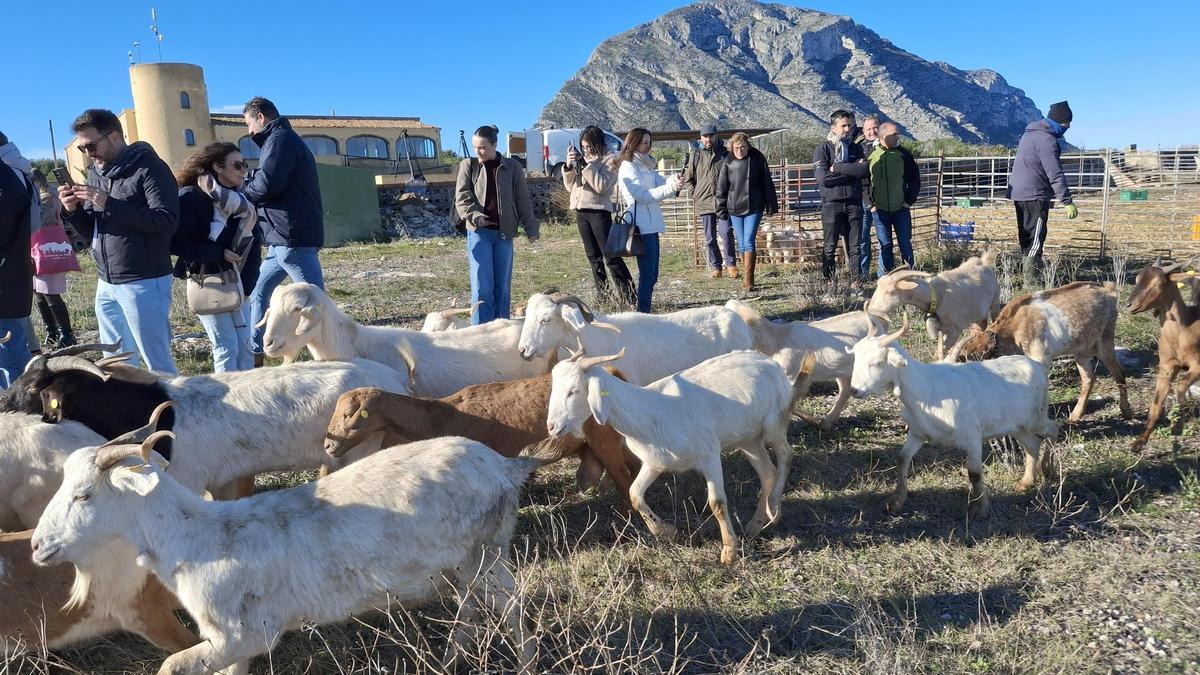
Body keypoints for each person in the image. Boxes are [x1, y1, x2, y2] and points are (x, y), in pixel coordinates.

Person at [60, 109, 179, 374]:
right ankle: (132, 414)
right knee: (118, 364)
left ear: (113, 136)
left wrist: (108, 203)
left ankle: (175, 413)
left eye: (92, 145)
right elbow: (92, 227)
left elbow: (166, 221)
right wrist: (72, 210)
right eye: (83, 149)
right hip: (106, 282)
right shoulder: (97, 173)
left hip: (144, 280)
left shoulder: (151, 168)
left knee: (158, 363)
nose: (89, 154)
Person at [242, 96, 325, 362]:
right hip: (281, 238)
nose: (249, 131)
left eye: (249, 123)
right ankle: (255, 352)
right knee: (259, 292)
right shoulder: (282, 140)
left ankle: (330, 355)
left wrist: (243, 191)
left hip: (291, 237)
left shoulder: (279, 140)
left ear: (261, 117)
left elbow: (267, 184)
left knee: (317, 303)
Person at [173, 142, 263, 372]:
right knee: (226, 346)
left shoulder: (241, 202)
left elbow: (254, 242)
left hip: (240, 282)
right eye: (237, 165)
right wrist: (218, 253)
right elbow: (175, 243)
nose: (243, 170)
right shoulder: (190, 197)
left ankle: (249, 396)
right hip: (208, 281)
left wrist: (248, 287)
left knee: (244, 345)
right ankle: (230, 405)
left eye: (245, 165)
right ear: (217, 167)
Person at [454, 125, 539, 324]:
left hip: (504, 235)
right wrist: (475, 216)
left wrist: (531, 228)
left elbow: (523, 200)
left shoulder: (513, 167)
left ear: (494, 145)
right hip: (479, 233)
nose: (478, 151)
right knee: (482, 287)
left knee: (502, 287)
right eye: (475, 147)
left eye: (482, 147)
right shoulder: (468, 165)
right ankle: (479, 332)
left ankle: (502, 329)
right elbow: (462, 198)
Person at [1007, 100, 1078, 287]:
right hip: (1034, 194)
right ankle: (1032, 282)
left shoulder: (1029, 134)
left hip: (1019, 193)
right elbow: (1054, 172)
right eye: (1066, 123)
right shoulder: (1048, 140)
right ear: (1058, 122)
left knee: (1026, 234)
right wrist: (1067, 200)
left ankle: (1027, 274)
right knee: (1036, 236)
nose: (1068, 127)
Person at [563, 126, 634, 305]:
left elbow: (601, 186)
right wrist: (569, 166)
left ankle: (629, 295)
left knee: (611, 256)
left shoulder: (611, 159)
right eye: (583, 146)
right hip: (581, 211)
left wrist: (586, 166)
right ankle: (604, 296)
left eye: (589, 146)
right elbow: (571, 187)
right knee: (593, 257)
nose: (586, 150)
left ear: (598, 143)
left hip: (599, 212)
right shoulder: (583, 160)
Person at [616, 128, 680, 313]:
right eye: (645, 142)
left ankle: (644, 311)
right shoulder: (628, 166)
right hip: (640, 226)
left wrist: (674, 180)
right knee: (648, 274)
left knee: (652, 275)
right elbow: (641, 196)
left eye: (650, 142)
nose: (649, 146)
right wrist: (670, 188)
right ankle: (643, 313)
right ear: (634, 143)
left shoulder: (646, 165)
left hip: (651, 224)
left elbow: (661, 181)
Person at [813, 110, 869, 293]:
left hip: (853, 203)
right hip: (831, 204)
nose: (847, 129)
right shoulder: (823, 149)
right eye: (843, 125)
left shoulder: (856, 148)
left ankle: (855, 283)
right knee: (829, 246)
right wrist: (850, 172)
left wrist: (836, 168)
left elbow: (863, 172)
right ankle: (830, 282)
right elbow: (823, 179)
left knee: (855, 246)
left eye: (849, 125)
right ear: (833, 127)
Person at [716, 132, 778, 291]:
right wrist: (721, 208)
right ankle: (745, 275)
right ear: (731, 148)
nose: (739, 150)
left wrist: (771, 204)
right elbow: (722, 187)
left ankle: (749, 279)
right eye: (736, 147)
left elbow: (767, 182)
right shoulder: (728, 161)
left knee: (749, 240)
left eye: (742, 147)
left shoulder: (757, 158)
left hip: (754, 206)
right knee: (741, 241)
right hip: (734, 207)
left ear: (748, 147)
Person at [30, 170, 79, 348]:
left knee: (51, 296)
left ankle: (66, 334)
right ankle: (52, 331)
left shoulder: (46, 198)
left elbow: (44, 220)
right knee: (41, 296)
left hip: (46, 252)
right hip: (38, 252)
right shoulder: (46, 197)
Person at [681, 124, 736, 279]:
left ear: (716, 136)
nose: (708, 139)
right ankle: (716, 266)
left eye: (711, 136)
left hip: (723, 202)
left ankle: (731, 264)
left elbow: (733, 175)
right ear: (701, 138)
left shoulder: (725, 154)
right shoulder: (696, 155)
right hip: (704, 201)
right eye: (705, 136)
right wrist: (695, 195)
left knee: (726, 233)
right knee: (710, 237)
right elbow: (689, 178)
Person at [867, 122, 921, 273]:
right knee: (885, 245)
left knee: (905, 244)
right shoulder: (871, 155)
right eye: (895, 134)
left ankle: (910, 275)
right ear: (883, 136)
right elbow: (864, 182)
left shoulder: (904, 155)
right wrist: (870, 204)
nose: (898, 137)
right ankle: (885, 278)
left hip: (900, 209)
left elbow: (914, 180)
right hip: (880, 210)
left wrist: (908, 201)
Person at [0, 144, 33, 388]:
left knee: (10, 357)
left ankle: (17, 412)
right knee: (14, 350)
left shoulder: (6, 181)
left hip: (5, 282)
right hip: (14, 277)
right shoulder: (16, 176)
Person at [857, 114, 881, 278]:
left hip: (881, 200)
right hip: (863, 198)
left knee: (883, 239)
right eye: (868, 129)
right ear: (863, 131)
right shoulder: (857, 148)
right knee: (862, 238)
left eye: (875, 128)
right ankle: (863, 273)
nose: (872, 131)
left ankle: (883, 273)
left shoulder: (887, 146)